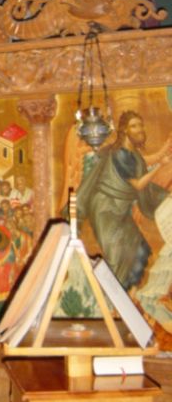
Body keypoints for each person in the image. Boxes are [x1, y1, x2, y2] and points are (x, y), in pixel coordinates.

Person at [77, 111, 172, 290]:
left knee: (139, 250)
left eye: (140, 125)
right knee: (117, 257)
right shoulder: (119, 155)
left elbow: (145, 174)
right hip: (106, 209)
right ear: (124, 130)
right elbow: (138, 184)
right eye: (134, 126)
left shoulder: (133, 154)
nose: (139, 129)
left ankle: (125, 298)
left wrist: (165, 194)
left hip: (120, 210)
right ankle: (108, 298)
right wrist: (161, 165)